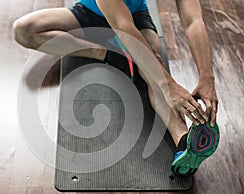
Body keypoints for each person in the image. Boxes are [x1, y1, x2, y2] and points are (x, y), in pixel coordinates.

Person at [12, 0, 219, 176]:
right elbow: (122, 26)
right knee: (23, 30)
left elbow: (193, 21)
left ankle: (184, 142)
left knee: (153, 67)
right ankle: (104, 53)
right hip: (93, 13)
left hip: (135, 16)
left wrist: (207, 78)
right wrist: (170, 86)